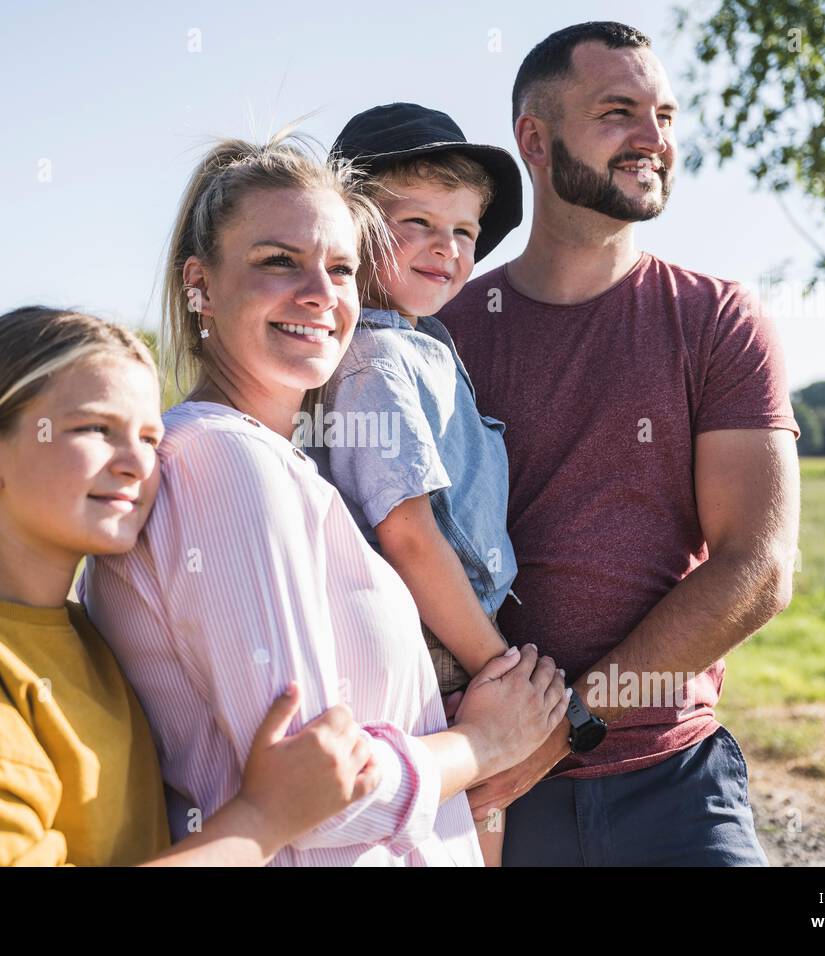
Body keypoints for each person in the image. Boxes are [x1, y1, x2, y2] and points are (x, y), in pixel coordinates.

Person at [79, 132, 570, 866]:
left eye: (340, 268)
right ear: (199, 286)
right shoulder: (225, 461)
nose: (320, 295)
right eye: (279, 261)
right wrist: (487, 741)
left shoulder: (291, 464)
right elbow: (316, 800)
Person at [0, 306, 384, 866]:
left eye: (149, 437)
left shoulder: (90, 633)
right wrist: (263, 819)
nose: (137, 462)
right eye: (95, 428)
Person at [437, 21, 801, 866]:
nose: (655, 139)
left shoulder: (717, 320)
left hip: (673, 779)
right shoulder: (444, 335)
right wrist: (503, 746)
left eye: (666, 115)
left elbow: (758, 568)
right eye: (618, 111)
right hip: (488, 791)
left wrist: (565, 727)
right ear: (535, 139)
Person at [306, 102, 526, 866]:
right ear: (353, 230)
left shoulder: (424, 346)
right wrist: (499, 666)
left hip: (456, 630)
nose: (448, 248)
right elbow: (408, 531)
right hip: (437, 642)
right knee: (468, 812)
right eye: (419, 224)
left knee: (479, 817)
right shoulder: (375, 356)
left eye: (464, 231)